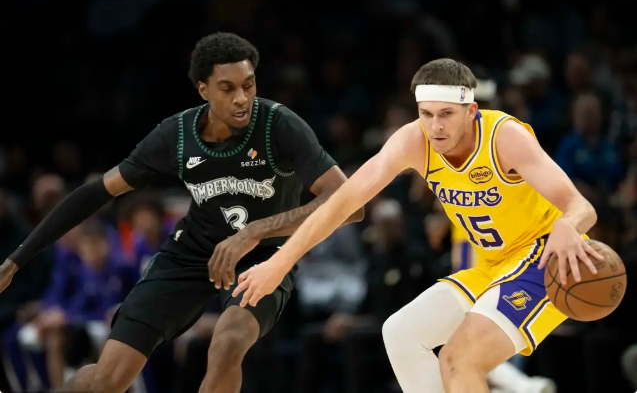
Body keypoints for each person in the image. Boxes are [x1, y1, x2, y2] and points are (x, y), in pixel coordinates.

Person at [0, 32, 363, 393]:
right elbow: (95, 193)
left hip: (264, 256)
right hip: (190, 252)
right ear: (203, 90)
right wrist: (16, 260)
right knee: (108, 380)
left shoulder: (279, 125)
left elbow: (351, 205)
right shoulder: (175, 135)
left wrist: (255, 231)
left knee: (228, 343)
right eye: (227, 88)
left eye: (248, 85)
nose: (242, 98)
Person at [232, 58, 604, 393]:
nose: (435, 126)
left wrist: (568, 225)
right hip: (493, 266)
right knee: (401, 333)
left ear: (471, 111)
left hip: (544, 258)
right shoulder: (413, 141)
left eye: (446, 114)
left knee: (459, 360)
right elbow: (342, 202)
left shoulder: (505, 137)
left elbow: (580, 206)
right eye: (426, 114)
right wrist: (280, 261)